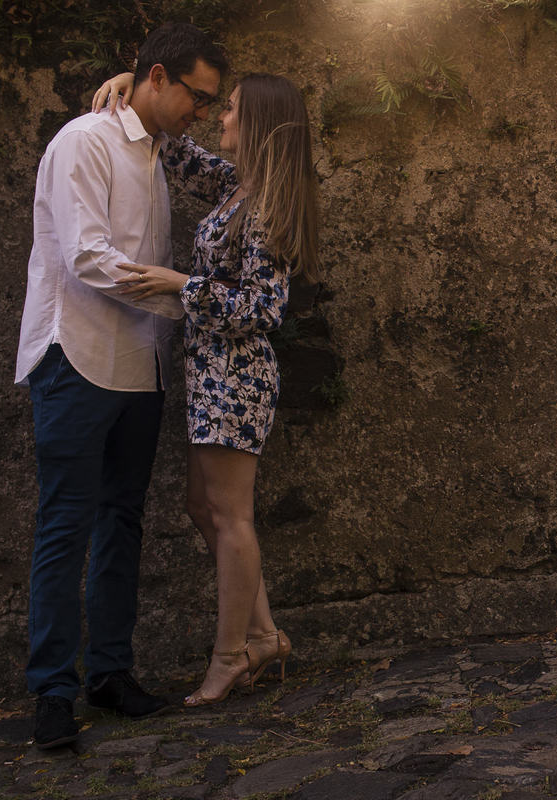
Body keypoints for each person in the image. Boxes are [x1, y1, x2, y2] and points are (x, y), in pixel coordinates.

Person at [15, 23, 227, 748]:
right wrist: (185, 297)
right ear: (159, 76)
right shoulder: (85, 141)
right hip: (75, 357)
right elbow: (87, 258)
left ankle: (109, 674)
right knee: (65, 524)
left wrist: (172, 312)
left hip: (141, 366)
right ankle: (51, 691)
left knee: (122, 523)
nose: (201, 113)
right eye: (197, 97)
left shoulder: (161, 153)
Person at [91, 70, 320, 706]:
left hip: (236, 376)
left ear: (261, 126)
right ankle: (264, 635)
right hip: (212, 372)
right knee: (204, 507)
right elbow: (177, 150)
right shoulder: (241, 187)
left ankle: (231, 655)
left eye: (234, 111)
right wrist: (131, 86)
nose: (219, 119)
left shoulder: (269, 204)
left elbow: (264, 308)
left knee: (230, 515)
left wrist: (177, 282)